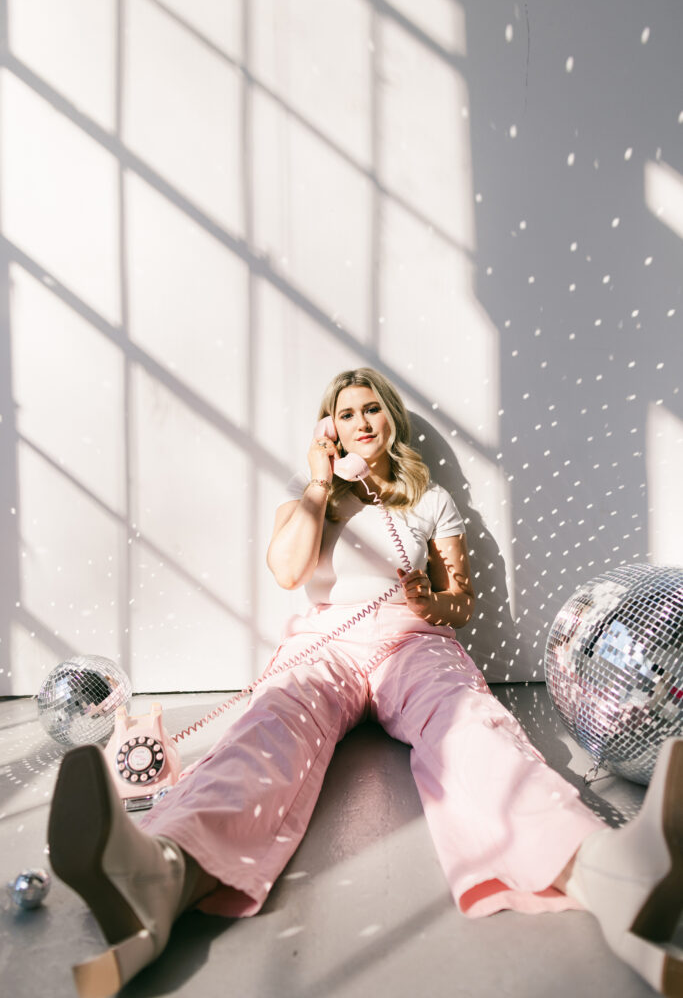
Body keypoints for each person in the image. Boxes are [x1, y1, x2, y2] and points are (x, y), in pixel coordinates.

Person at [48, 367, 683, 998]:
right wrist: (320, 485)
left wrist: (429, 600)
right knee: (269, 726)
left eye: (371, 409)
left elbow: (460, 604)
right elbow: (288, 571)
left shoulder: (430, 501)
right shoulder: (308, 494)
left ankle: (604, 870)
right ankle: (165, 873)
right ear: (330, 428)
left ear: (391, 418)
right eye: (346, 414)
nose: (361, 423)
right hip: (327, 640)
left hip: (414, 638)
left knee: (472, 727)